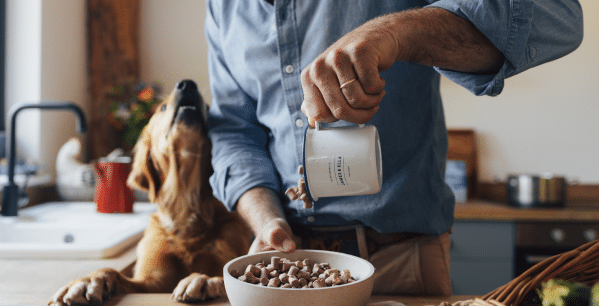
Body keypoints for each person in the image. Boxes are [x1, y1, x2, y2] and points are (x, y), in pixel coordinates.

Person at [204, 0, 583, 295]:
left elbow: (559, 18)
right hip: (286, 267)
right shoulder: (222, 9)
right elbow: (235, 133)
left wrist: (398, 34)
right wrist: (267, 221)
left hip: (402, 261)